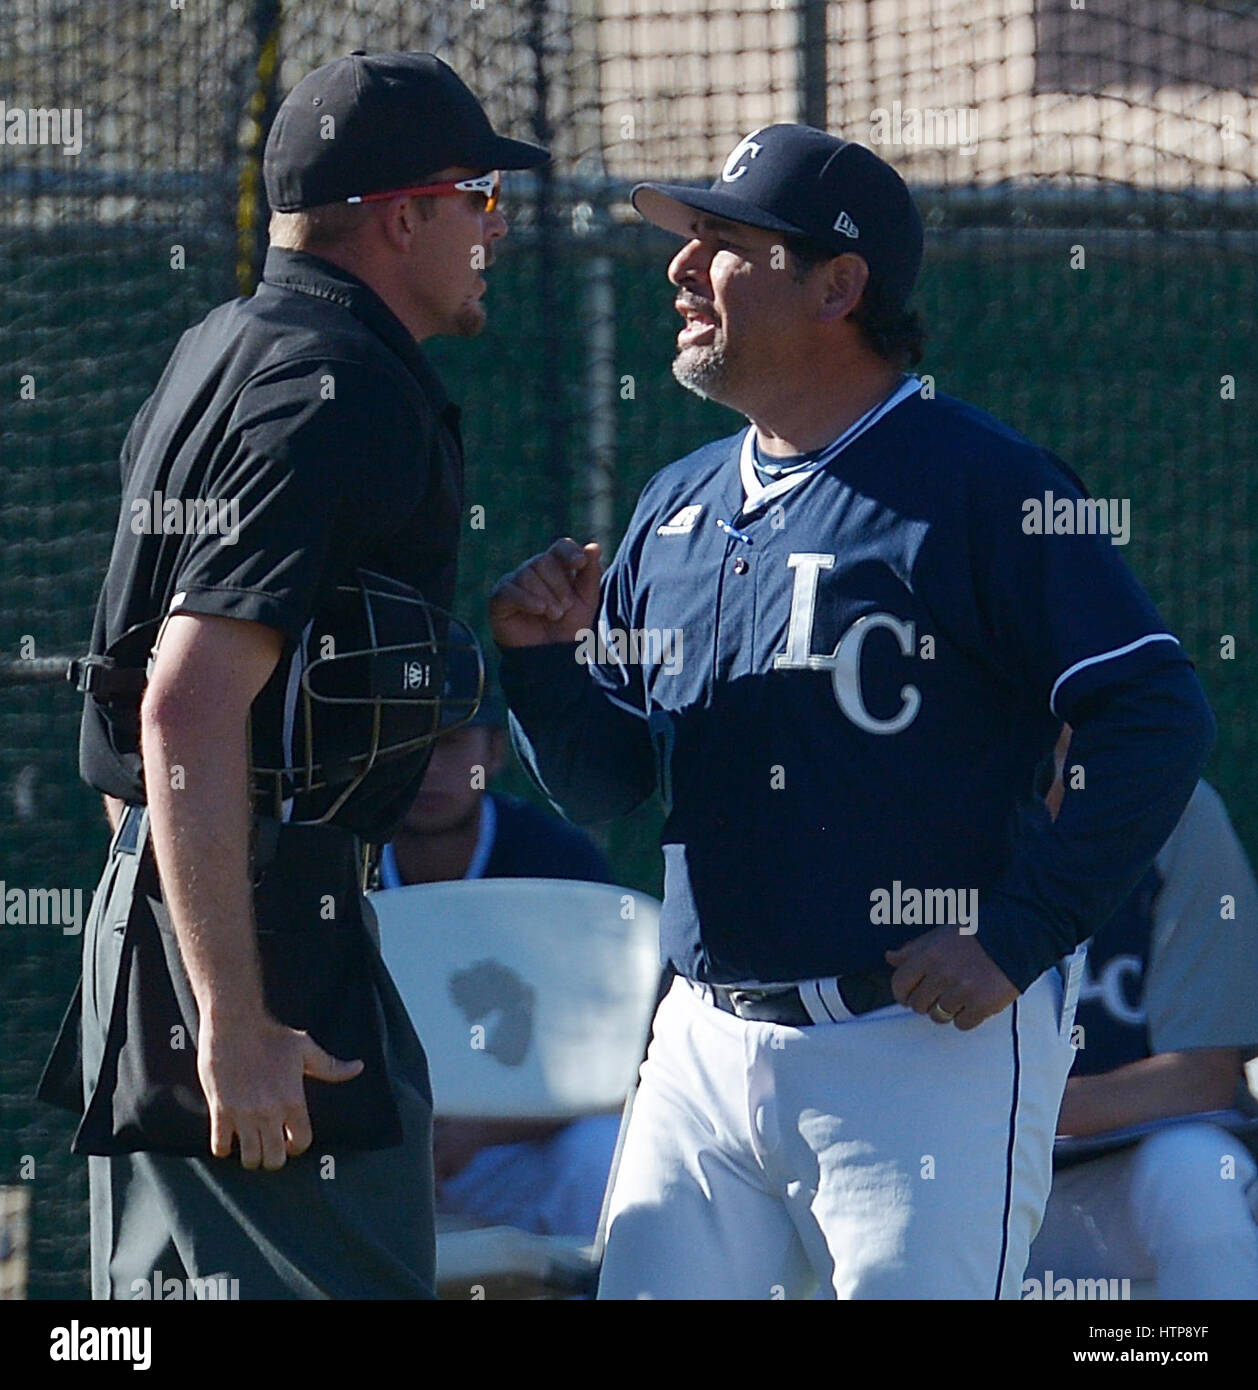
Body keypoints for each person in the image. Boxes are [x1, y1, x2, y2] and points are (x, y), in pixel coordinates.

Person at [488, 124, 1215, 1299]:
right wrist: (537, 667)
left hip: (918, 1047)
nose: (679, 269)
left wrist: (1015, 936)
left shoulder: (985, 483)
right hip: (703, 1042)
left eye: (722, 243)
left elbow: (1158, 716)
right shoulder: (674, 503)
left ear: (838, 284)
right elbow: (611, 782)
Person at [38, 51, 547, 1300]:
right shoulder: (342, 389)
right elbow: (183, 700)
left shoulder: (219, 346)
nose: (497, 227)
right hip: (257, 934)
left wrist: (165, 927)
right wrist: (231, 1012)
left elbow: (128, 705)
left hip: (175, 899)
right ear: (401, 214)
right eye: (478, 197)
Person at [379, 690, 621, 1240]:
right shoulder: (340, 865)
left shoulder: (557, 865)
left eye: (451, 742)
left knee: (600, 1157)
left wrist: (485, 1128)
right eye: (409, 744)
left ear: (495, 751)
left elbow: (614, 1055)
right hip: (382, 1149)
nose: (431, 768)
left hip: (513, 1148)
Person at [1026, 739, 1258, 1299]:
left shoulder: (1172, 808)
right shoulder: (924, 825)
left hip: (1119, 1185)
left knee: (1198, 1175)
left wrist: (1009, 1108)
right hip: (971, 1188)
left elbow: (1201, 1077)